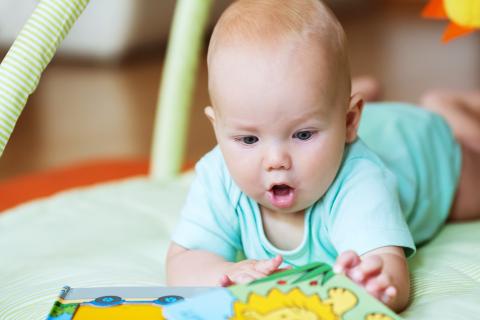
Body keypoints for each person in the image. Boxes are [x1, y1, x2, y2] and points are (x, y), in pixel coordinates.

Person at [165, 0, 480, 312]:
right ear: (217, 128)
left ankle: (449, 106)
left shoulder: (360, 180)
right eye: (249, 138)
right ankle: (335, 100)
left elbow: (389, 272)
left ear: (349, 122)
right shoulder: (219, 173)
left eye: (303, 135)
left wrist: (370, 283)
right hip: (349, 118)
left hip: (425, 149)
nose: (275, 160)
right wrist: (222, 275)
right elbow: (184, 260)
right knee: (307, 106)